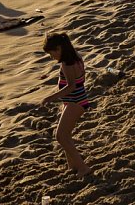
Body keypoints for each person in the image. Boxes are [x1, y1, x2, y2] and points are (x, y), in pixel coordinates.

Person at [41, 32, 91, 177]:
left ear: (59, 48)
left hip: (75, 101)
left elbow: (71, 86)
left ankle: (83, 168)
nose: (52, 57)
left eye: (52, 54)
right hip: (75, 100)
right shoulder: (76, 56)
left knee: (60, 136)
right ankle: (72, 166)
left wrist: (50, 98)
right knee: (65, 135)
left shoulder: (67, 64)